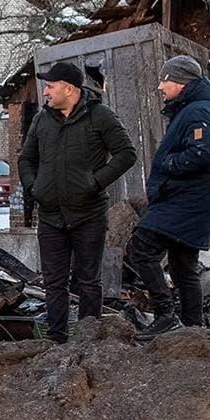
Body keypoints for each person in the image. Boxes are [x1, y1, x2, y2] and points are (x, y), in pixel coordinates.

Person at [18, 60, 137, 343]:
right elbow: (26, 159)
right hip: (50, 215)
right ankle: (56, 340)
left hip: (88, 215)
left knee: (88, 281)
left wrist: (94, 183)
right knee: (53, 282)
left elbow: (126, 153)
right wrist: (34, 187)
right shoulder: (41, 119)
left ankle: (88, 339)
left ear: (69, 89)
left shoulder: (100, 116)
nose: (45, 92)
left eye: (50, 86)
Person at [128, 55, 210, 337]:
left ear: (181, 82)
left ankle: (165, 315)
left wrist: (166, 165)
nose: (160, 86)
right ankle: (193, 329)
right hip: (193, 203)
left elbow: (202, 153)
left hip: (183, 202)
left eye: (165, 80)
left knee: (140, 249)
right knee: (184, 266)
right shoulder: (196, 109)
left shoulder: (199, 112)